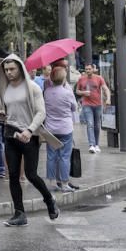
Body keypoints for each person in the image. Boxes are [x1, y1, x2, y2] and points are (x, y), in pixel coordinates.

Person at [0, 54, 59, 226]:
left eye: (12, 69)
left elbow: (41, 112)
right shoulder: (5, 89)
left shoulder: (32, 88)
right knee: (13, 175)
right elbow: (1, 108)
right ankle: (19, 213)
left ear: (20, 68)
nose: (9, 73)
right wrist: (0, 114)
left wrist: (30, 130)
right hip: (10, 135)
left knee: (31, 174)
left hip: (29, 136)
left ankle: (49, 200)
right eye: (6, 70)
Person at [44, 60, 77, 193]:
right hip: (65, 129)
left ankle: (52, 182)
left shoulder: (46, 92)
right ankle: (64, 183)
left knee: (51, 156)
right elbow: (74, 107)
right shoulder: (67, 92)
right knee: (64, 156)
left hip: (50, 129)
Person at [75, 64, 110, 153]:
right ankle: (91, 145)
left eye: (89, 69)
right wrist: (83, 93)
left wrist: (108, 99)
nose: (88, 70)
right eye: (86, 69)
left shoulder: (99, 78)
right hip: (86, 104)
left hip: (98, 104)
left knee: (97, 125)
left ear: (93, 69)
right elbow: (77, 91)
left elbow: (105, 89)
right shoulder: (81, 79)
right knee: (90, 124)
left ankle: (96, 144)